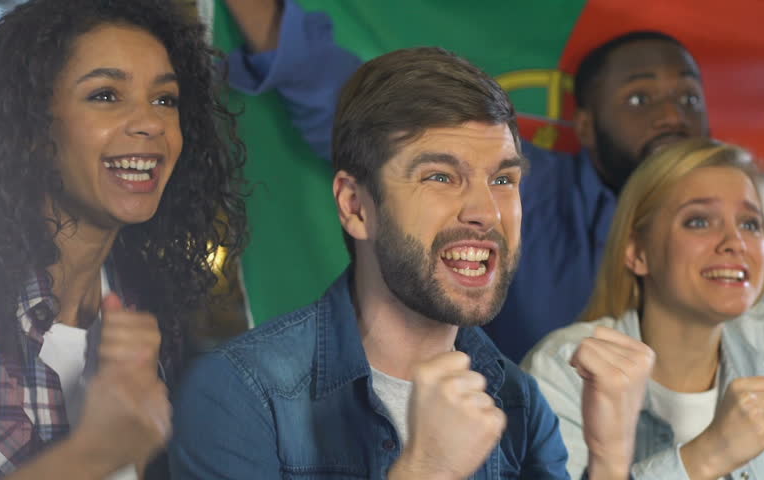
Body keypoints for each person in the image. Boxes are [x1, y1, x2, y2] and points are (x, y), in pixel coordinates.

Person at [170, 46, 654, 480]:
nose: (486, 212)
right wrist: (428, 470)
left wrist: (610, 460)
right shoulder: (239, 391)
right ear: (355, 206)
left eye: (503, 180)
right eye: (440, 177)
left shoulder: (521, 402)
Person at [221, 0, 712, 362]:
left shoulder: (745, 199)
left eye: (690, 99)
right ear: (584, 125)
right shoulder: (520, 184)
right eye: (639, 100)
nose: (673, 116)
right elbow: (333, 90)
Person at [0, 0, 247, 478]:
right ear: (30, 127)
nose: (151, 122)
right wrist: (94, 452)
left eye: (165, 99)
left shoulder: (147, 309)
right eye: (106, 95)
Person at [522, 138, 764, 479]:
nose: (736, 243)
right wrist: (707, 456)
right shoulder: (564, 369)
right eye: (699, 221)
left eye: (750, 224)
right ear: (636, 252)